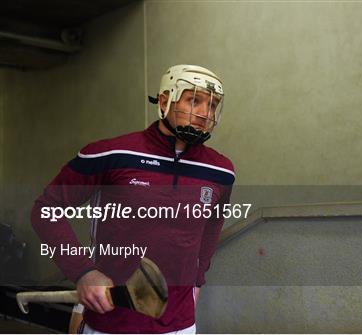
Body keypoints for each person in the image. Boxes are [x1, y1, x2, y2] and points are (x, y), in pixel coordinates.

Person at [31, 64, 235, 333]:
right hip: (113, 323)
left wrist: (198, 280)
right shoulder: (109, 154)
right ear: (165, 100)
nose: (204, 113)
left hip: (181, 325)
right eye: (194, 100)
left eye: (212, 105)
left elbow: (211, 224)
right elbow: (46, 209)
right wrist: (83, 271)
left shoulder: (221, 170)